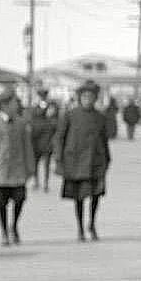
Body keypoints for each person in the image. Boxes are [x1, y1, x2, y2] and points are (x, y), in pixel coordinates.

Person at [52, 79, 111, 241]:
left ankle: (91, 223)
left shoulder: (100, 117)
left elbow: (104, 139)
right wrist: (59, 158)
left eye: (91, 96)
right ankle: (80, 227)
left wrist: (107, 159)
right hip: (75, 162)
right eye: (85, 96)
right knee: (79, 197)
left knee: (96, 195)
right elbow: (59, 138)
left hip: (96, 162)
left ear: (95, 98)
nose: (88, 99)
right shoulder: (70, 115)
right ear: (80, 97)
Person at [0, 89, 36, 246]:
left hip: (18, 171)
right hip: (0, 172)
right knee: (1, 203)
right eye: (14, 103)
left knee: (20, 199)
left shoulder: (21, 123)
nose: (17, 106)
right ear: (5, 105)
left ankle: (14, 226)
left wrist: (31, 168)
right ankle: (4, 231)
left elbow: (28, 147)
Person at [28, 89, 59, 192]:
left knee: (46, 163)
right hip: (37, 139)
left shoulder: (51, 106)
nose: (42, 97)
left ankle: (45, 183)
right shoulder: (36, 107)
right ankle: (37, 181)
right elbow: (32, 119)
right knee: (36, 162)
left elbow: (55, 122)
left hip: (46, 139)